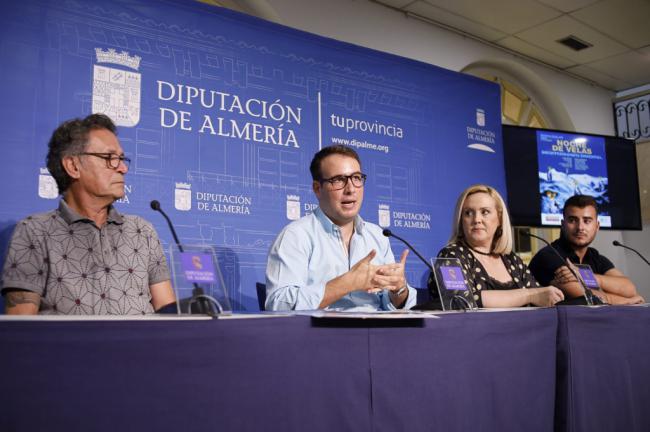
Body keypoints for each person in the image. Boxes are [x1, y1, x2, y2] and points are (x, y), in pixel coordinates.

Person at [1, 114, 176, 314]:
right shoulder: (34, 231)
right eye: (110, 158)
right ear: (73, 166)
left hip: (144, 345)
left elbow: (166, 310)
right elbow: (22, 329)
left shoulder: (142, 230)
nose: (123, 168)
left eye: (121, 158)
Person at [265, 145, 416, 311]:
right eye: (338, 180)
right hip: (322, 334)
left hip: (377, 332)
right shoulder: (296, 236)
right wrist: (346, 283)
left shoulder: (378, 236)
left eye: (356, 178)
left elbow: (394, 305)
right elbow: (278, 305)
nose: (350, 189)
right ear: (317, 188)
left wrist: (399, 289)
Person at [435, 185, 564, 308]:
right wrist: (529, 295)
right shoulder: (451, 256)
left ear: (499, 218)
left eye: (484, 212)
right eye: (468, 213)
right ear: (461, 220)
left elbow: (539, 297)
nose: (476, 219)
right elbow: (459, 301)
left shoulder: (511, 259)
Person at [529, 195, 644, 304]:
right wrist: (625, 302)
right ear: (563, 225)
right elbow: (587, 297)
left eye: (587, 221)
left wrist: (586, 276)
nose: (580, 227)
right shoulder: (549, 256)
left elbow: (629, 289)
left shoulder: (595, 256)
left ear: (597, 226)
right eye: (573, 220)